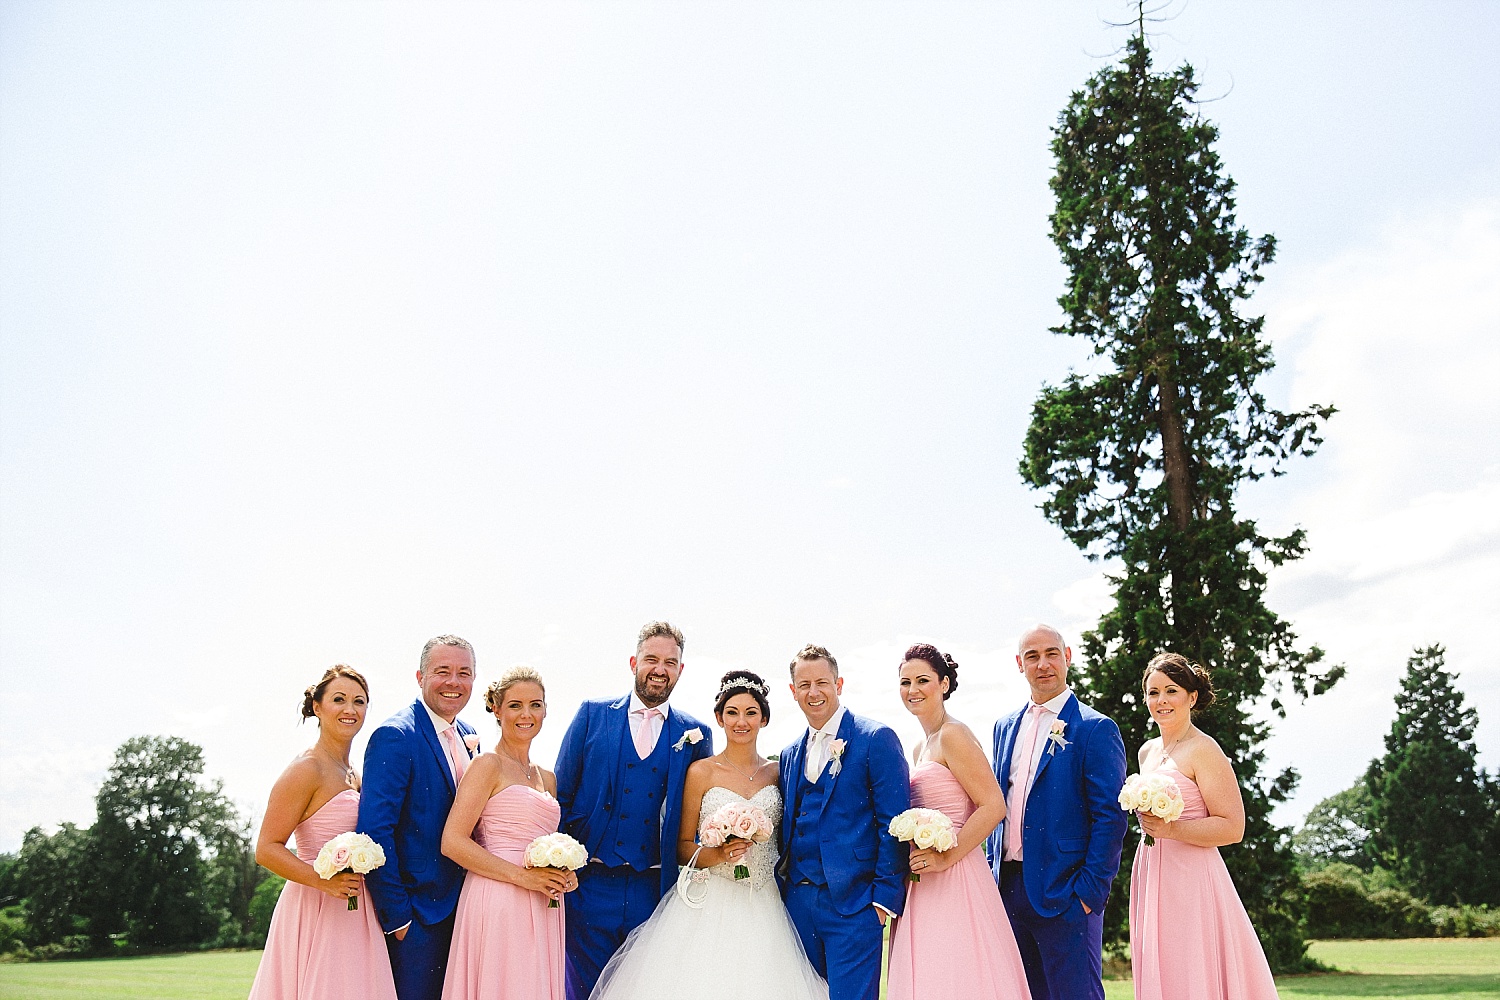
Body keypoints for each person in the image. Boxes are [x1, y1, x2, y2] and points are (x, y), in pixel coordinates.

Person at [589, 670, 829, 1000]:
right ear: (719, 717)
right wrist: (717, 854)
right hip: (710, 901)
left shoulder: (778, 773)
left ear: (764, 719)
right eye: (732, 712)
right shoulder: (701, 772)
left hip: (766, 902)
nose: (740, 721)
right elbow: (682, 846)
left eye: (751, 712)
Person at [554, 621, 715, 1000]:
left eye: (670, 662)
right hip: (589, 884)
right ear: (633, 662)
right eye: (651, 659)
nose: (660, 669)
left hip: (653, 889)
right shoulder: (592, 715)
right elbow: (561, 797)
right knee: (583, 991)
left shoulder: (696, 734)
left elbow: (701, 812)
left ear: (680, 670)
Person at [989, 624, 1127, 1000]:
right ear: (1020, 664)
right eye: (1032, 656)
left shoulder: (1096, 728)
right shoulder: (1004, 727)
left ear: (1067, 657)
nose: (1043, 664)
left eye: (1051, 654)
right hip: (1009, 890)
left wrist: (1088, 893)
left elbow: (1110, 817)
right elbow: (997, 803)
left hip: (1066, 894)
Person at [1129, 652, 1278, 1000]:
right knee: (1162, 965)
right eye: (1153, 693)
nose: (1161, 700)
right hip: (1152, 871)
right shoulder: (1146, 752)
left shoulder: (1204, 749)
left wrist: (1171, 830)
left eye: (1171, 691)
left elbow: (1232, 827)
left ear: (1191, 697)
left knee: (1192, 966)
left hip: (1192, 876)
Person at [886, 644, 1031, 1000]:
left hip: (955, 875)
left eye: (923, 680)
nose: (913, 689)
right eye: (905, 682)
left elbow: (993, 806)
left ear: (945, 684)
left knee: (958, 974)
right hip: (923, 879)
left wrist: (947, 857)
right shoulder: (921, 746)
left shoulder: (954, 735)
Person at [248, 665, 398, 1000]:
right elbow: (267, 848)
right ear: (318, 707)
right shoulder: (306, 769)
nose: (350, 709)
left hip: (357, 907)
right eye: (339, 700)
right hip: (314, 906)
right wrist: (321, 881)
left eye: (359, 702)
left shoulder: (355, 774)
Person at [778, 644, 910, 1000]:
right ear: (793, 692)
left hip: (855, 907)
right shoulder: (790, 753)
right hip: (798, 904)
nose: (813, 692)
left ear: (839, 683)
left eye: (822, 682)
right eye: (804, 684)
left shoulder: (875, 738)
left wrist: (882, 902)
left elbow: (893, 823)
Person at [357, 636, 480, 1000]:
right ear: (420, 676)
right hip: (418, 919)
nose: (454, 682)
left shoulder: (469, 734)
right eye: (442, 672)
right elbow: (375, 831)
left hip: (466, 913)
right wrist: (399, 919)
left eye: (464, 673)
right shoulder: (395, 736)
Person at [441, 665, 573, 1000]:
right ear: (496, 710)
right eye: (515, 705)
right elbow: (453, 842)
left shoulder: (547, 777)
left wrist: (564, 872)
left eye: (535, 705)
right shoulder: (488, 765)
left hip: (544, 901)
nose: (526, 714)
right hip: (497, 897)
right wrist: (522, 877)